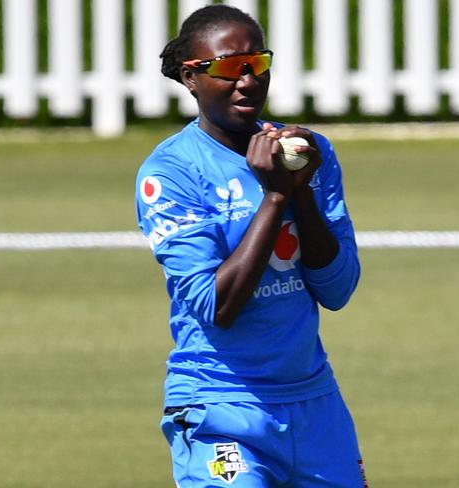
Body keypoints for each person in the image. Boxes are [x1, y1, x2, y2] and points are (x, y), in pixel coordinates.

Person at [135, 4, 366, 487]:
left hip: (314, 405)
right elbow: (216, 305)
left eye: (256, 64)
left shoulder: (307, 151)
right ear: (191, 77)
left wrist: (301, 191)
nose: (246, 80)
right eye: (226, 67)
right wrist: (275, 196)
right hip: (220, 404)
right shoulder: (171, 173)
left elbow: (338, 289)